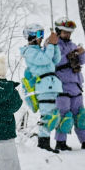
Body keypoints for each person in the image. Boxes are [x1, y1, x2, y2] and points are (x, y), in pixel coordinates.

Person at [53, 17, 85, 151]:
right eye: (65, 32)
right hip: (62, 87)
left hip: (76, 86)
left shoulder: (72, 45)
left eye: (69, 32)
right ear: (58, 31)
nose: (67, 35)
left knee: (80, 115)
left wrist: (82, 53)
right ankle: (60, 142)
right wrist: (68, 57)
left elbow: (83, 60)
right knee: (64, 116)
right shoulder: (55, 46)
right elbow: (54, 61)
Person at [19, 23, 64, 152]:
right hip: (43, 87)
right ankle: (43, 144)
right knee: (47, 116)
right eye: (39, 34)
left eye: (42, 34)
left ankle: (45, 142)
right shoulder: (29, 51)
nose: (41, 37)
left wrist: (54, 45)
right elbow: (44, 60)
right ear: (31, 36)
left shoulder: (41, 50)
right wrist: (49, 46)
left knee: (54, 115)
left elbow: (55, 59)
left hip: (52, 86)